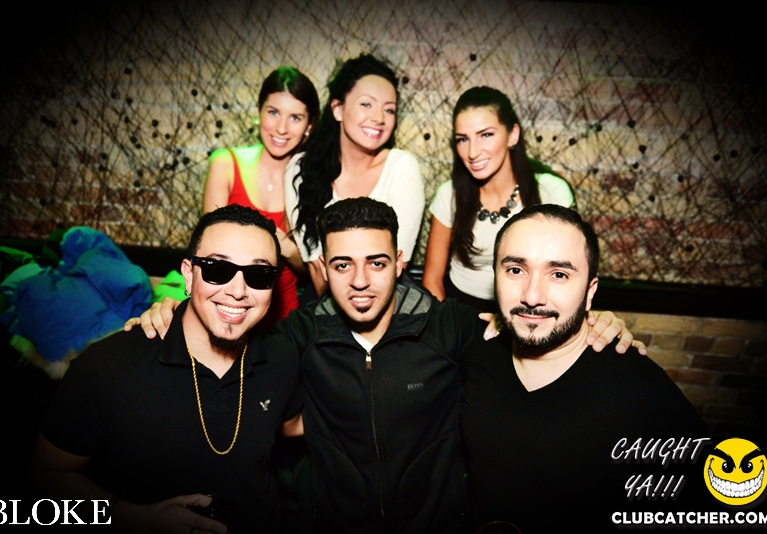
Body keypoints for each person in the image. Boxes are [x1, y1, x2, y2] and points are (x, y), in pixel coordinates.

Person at [129, 199, 643, 533]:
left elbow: (532, 334)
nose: (360, 281)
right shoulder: (298, 336)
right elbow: (228, 344)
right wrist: (171, 312)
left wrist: (595, 321)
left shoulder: (450, 328)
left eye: (376, 263)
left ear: (399, 262)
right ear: (322, 269)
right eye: (342, 265)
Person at [31, 205, 303, 533]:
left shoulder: (283, 358)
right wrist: (135, 517)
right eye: (218, 269)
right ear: (188, 274)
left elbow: (297, 425)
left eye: (259, 275)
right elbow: (45, 475)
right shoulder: (108, 367)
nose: (237, 290)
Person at [461, 204, 709, 532]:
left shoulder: (638, 389)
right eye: (516, 270)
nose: (532, 296)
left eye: (559, 275)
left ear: (589, 293)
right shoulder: (474, 351)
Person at [285, 54, 425, 298]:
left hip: (387, 305)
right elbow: (317, 271)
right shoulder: (301, 169)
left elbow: (393, 270)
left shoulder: (402, 169)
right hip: (323, 302)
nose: (379, 118)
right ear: (338, 109)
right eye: (366, 104)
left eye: (389, 109)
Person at [424, 86, 574, 311]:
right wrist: (446, 325)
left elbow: (569, 275)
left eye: (486, 135)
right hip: (460, 310)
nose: (473, 152)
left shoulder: (551, 192)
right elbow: (432, 280)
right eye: (463, 139)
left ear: (512, 135)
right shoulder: (450, 194)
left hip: (530, 309)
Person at [201, 66, 319, 327]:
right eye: (273, 112)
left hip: (283, 315)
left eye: (295, 117)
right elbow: (208, 249)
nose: (281, 128)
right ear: (258, 112)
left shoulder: (311, 180)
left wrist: (281, 241)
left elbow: (311, 270)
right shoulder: (225, 163)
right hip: (228, 304)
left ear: (309, 125)